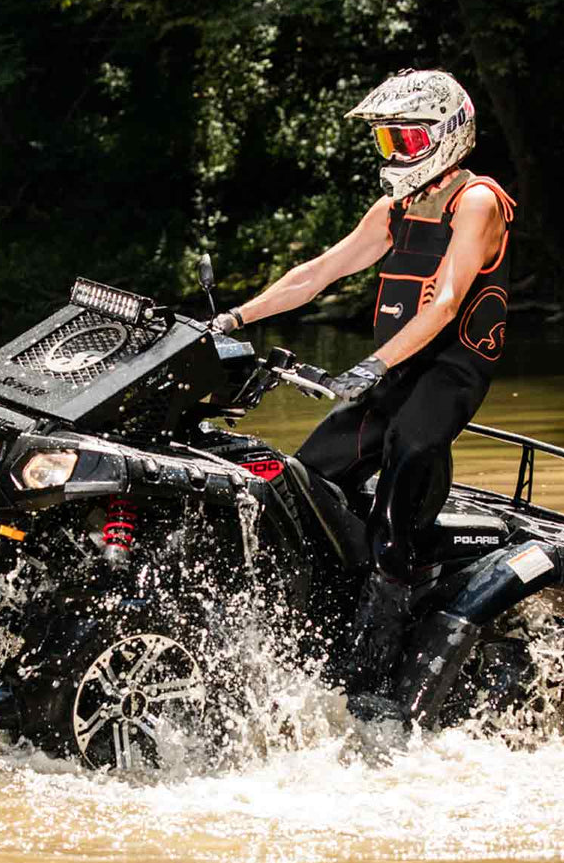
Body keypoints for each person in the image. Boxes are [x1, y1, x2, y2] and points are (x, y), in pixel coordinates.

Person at [213, 69, 515, 726]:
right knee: (303, 478)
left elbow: (445, 301)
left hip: (449, 369)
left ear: (447, 134)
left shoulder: (477, 201)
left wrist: (370, 365)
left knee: (408, 459)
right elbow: (318, 274)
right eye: (388, 141)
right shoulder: (394, 210)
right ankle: (323, 603)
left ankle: (379, 663)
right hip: (393, 370)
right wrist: (233, 318)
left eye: (408, 139)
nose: (397, 153)